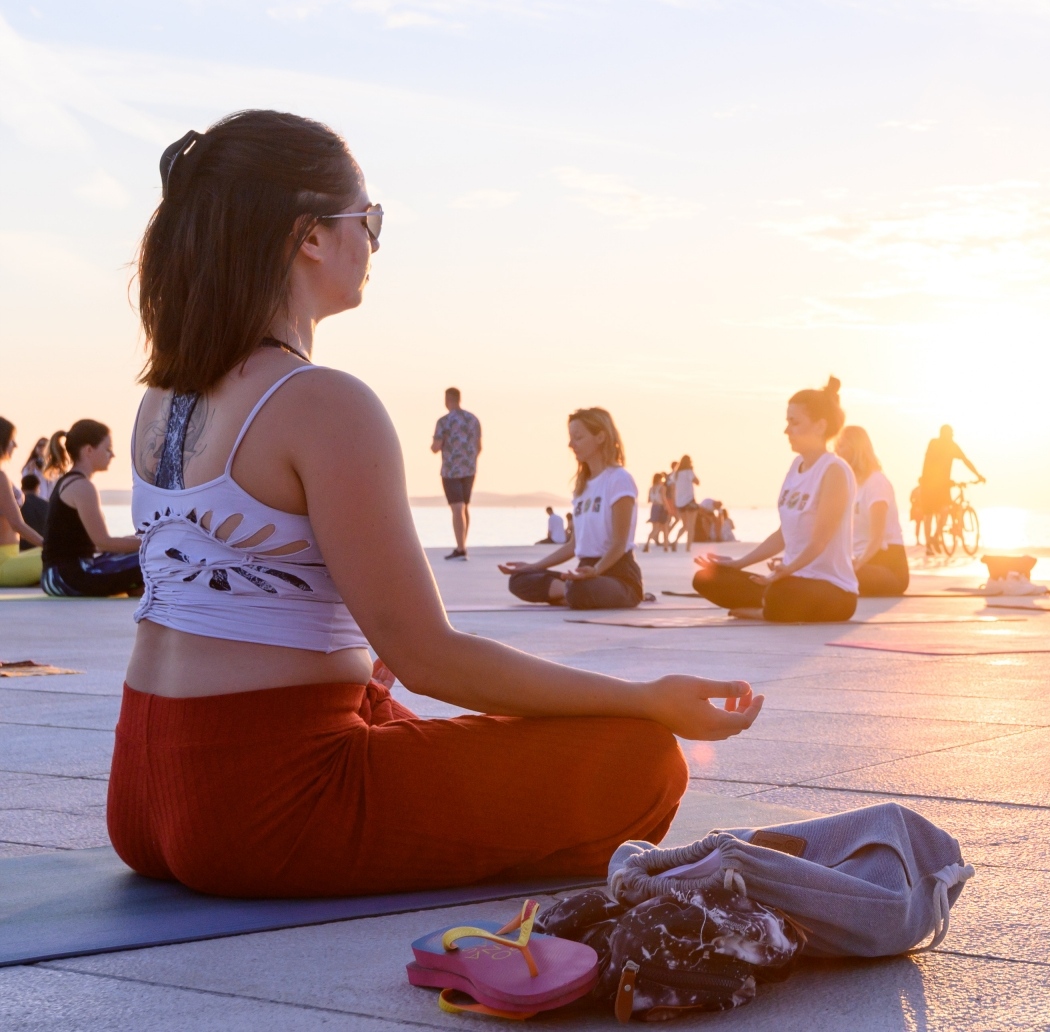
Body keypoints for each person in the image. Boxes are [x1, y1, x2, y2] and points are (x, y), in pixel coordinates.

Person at [110, 111, 759, 900]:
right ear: (311, 235)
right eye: (369, 220)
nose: (374, 242)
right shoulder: (320, 401)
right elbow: (432, 659)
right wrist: (643, 698)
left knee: (387, 706)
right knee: (642, 758)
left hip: (142, 794)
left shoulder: (161, 398)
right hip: (262, 810)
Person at [693, 378, 857, 621]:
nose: (786, 430)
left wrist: (784, 572)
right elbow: (784, 534)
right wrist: (738, 564)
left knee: (782, 593)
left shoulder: (834, 471)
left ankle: (767, 609)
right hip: (787, 581)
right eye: (787, 422)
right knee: (707, 578)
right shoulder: (795, 467)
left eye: (795, 423)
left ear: (820, 426)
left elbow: (819, 541)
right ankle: (770, 605)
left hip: (830, 589)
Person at [500, 409, 644, 609]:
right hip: (583, 574)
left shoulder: (619, 480)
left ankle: (571, 592)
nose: (571, 444)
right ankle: (569, 591)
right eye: (571, 438)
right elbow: (573, 545)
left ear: (601, 437)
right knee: (519, 579)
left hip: (618, 574)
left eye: (578, 437)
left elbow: (620, 544)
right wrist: (532, 566)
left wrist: (596, 571)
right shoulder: (582, 487)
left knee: (580, 589)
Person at [39, 420, 143, 597]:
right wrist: (151, 543)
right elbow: (102, 542)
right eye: (107, 448)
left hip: (59, 574)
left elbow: (95, 545)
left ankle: (137, 587)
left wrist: (135, 541)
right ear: (88, 450)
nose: (112, 455)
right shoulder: (82, 486)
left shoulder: (70, 481)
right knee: (154, 558)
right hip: (66, 577)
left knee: (141, 557)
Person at [836, 425, 909, 597]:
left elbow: (877, 538)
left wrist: (856, 565)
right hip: (863, 563)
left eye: (841, 446)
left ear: (856, 449)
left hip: (888, 568)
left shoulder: (876, 483)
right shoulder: (853, 485)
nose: (837, 451)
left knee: (834, 575)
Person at [431, 387, 482, 561]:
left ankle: (461, 549)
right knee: (464, 507)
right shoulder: (472, 419)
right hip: (469, 469)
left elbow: (436, 448)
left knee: (457, 507)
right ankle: (463, 545)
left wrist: (440, 444)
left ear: (447, 399)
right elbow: (479, 447)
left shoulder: (444, 422)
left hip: (451, 471)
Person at [917, 425, 983, 554]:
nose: (952, 437)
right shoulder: (935, 444)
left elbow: (965, 460)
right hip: (930, 485)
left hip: (942, 485)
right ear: (944, 434)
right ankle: (929, 544)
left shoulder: (951, 445)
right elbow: (932, 464)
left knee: (943, 510)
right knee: (929, 515)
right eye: (950, 434)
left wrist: (978, 475)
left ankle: (935, 537)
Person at [0, 417, 46, 587]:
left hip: (10, 558)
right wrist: (50, 547)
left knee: (62, 552)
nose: (15, 445)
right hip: (4, 564)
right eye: (11, 440)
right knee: (65, 556)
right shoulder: (0, 477)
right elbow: (17, 524)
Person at [671, 455, 700, 551]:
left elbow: (673, 485)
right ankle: (688, 548)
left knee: (685, 526)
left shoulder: (676, 474)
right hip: (690, 501)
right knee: (691, 526)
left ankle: (675, 541)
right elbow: (697, 482)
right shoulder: (689, 472)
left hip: (680, 503)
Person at [643, 472, 671, 552]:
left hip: (653, 508)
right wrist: (668, 508)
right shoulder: (662, 487)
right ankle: (666, 546)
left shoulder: (651, 488)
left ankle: (647, 543)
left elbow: (648, 500)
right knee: (665, 527)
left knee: (654, 528)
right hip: (661, 507)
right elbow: (664, 498)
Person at [19, 474, 49, 547]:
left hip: (22, 548)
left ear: (22, 487)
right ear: (37, 487)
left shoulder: (18, 504)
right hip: (42, 547)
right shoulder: (47, 505)